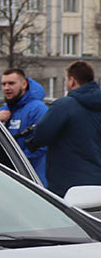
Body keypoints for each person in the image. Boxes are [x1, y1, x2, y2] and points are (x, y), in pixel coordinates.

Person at [26, 61, 101, 196]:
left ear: (72, 81)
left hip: (69, 183)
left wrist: (31, 142)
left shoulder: (65, 105)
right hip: (97, 182)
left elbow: (42, 135)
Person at [0, 68, 48, 185]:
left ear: (24, 84)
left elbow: (40, 145)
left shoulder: (37, 109)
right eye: (3, 84)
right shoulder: (4, 110)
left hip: (33, 179)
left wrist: (15, 163)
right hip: (11, 178)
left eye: (11, 83)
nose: (6, 88)